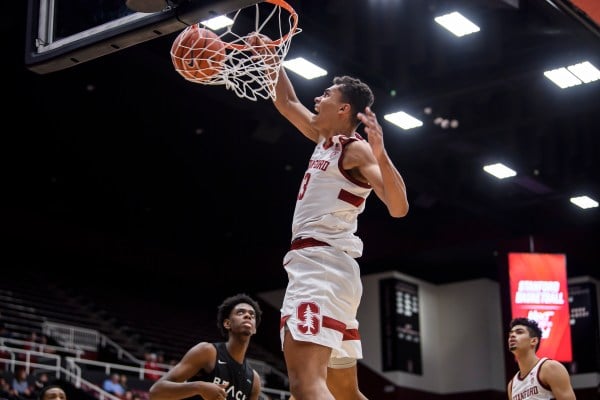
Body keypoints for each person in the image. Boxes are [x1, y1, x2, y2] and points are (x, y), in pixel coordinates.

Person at [253, 34, 409, 400]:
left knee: (306, 385)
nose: (317, 99)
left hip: (319, 267)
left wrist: (381, 154)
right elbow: (286, 99)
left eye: (325, 95)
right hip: (330, 271)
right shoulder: (324, 140)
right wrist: (269, 57)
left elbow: (399, 208)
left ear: (343, 110)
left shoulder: (354, 151)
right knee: (345, 392)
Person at [148, 293, 263, 400]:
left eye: (252, 315)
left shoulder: (254, 380)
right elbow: (156, 392)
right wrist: (199, 387)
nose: (248, 315)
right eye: (240, 312)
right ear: (227, 323)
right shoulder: (207, 352)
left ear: (255, 329)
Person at [507, 318, 576, 400]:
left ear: (533, 341)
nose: (512, 335)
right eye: (510, 334)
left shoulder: (550, 368)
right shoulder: (512, 385)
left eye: (519, 332)